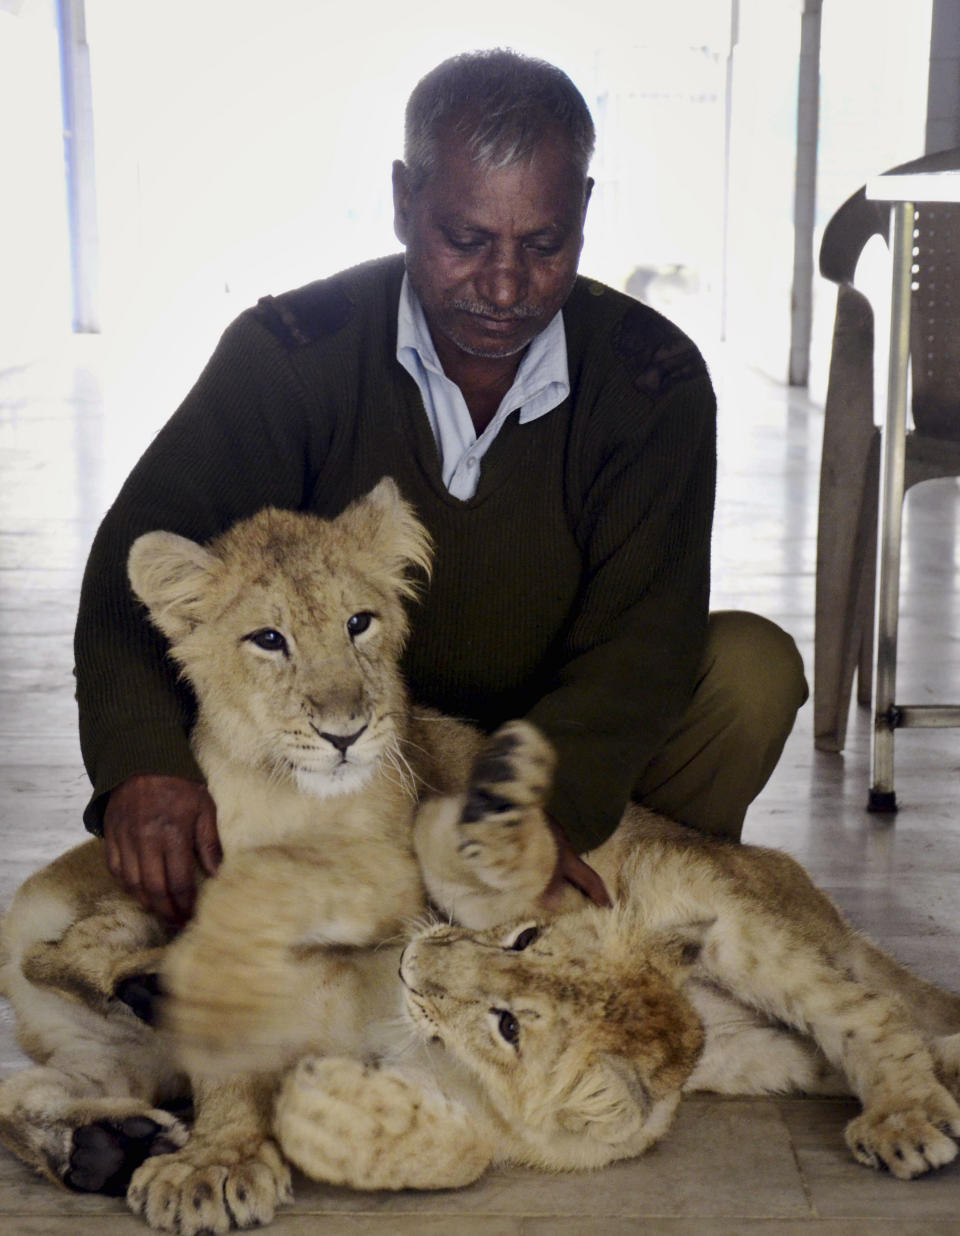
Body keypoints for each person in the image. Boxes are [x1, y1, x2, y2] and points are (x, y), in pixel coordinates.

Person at [74, 48, 807, 926]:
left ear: (584, 209)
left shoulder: (654, 381)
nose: (504, 286)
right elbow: (138, 563)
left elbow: (644, 642)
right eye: (465, 240)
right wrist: (145, 766)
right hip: (358, 751)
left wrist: (531, 824)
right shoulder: (290, 356)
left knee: (751, 672)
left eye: (544, 244)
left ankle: (636, 918)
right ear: (402, 202)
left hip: (556, 749)